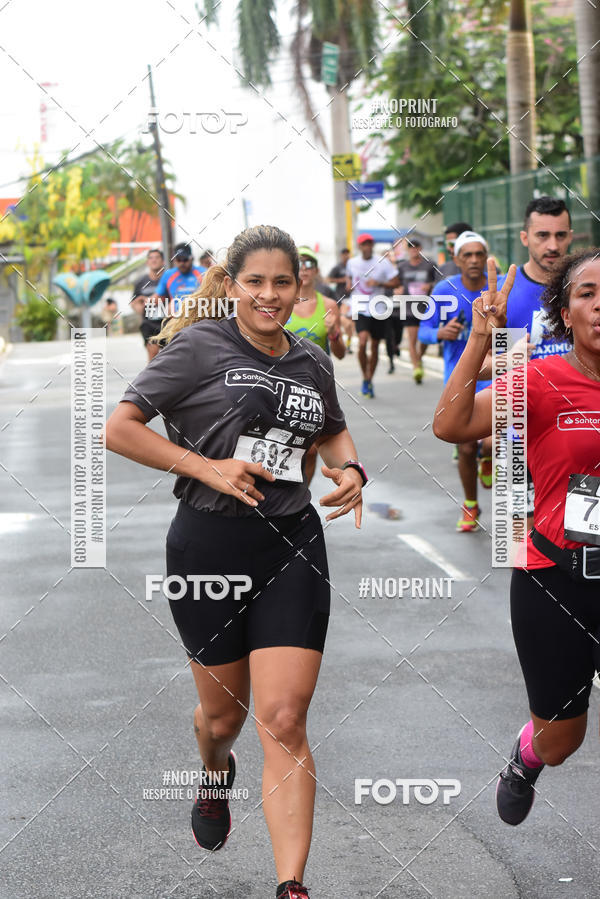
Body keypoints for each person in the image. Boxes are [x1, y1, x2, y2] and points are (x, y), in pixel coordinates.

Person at [105, 225, 366, 899]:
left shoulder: (311, 359)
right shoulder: (198, 346)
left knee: (283, 717)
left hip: (290, 544)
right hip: (208, 547)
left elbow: (331, 428)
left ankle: (291, 884)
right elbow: (121, 427)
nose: (270, 295)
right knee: (225, 719)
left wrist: (350, 467)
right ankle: (214, 770)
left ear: (298, 285)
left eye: (283, 282)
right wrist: (209, 466)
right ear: (230, 284)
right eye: (256, 282)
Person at [432, 251, 600, 828]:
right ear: (564, 311)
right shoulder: (540, 379)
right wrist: (481, 338)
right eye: (586, 293)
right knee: (560, 742)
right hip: (559, 578)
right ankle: (526, 758)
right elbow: (450, 426)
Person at [501, 196, 573, 529]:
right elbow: (490, 364)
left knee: (580, 535)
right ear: (525, 237)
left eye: (560, 235)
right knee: (520, 539)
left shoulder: (585, 288)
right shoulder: (506, 292)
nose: (553, 245)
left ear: (571, 236)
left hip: (579, 431)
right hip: (518, 433)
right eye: (543, 235)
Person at [418, 231, 494, 530]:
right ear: (457, 259)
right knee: (464, 448)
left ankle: (487, 456)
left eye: (479, 254)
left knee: (490, 442)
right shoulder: (443, 290)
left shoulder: (497, 288)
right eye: (468, 255)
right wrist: (440, 333)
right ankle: (471, 504)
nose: (474, 260)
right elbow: (423, 331)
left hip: (493, 374)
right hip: (460, 380)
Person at [287, 246, 346, 485]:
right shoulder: (281, 303)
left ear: (317, 270)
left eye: (309, 264)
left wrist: (333, 334)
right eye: (299, 264)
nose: (304, 269)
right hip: (282, 381)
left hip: (316, 384)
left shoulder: (330, 305)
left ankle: (301, 493)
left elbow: (340, 353)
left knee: (310, 450)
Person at [345, 233, 399, 398]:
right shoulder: (352, 262)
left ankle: (369, 379)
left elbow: (396, 282)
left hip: (378, 308)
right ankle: (364, 377)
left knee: (374, 346)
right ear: (359, 246)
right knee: (362, 343)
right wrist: (349, 285)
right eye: (364, 244)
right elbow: (349, 280)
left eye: (369, 244)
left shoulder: (382, 263)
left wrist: (379, 283)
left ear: (372, 245)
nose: (367, 247)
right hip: (360, 307)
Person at [395, 239, 435, 383]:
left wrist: (429, 285)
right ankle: (416, 368)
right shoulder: (402, 266)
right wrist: (398, 289)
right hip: (409, 307)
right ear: (407, 250)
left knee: (424, 338)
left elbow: (438, 281)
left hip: (426, 307)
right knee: (412, 339)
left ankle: (418, 358)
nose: (413, 250)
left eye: (415, 248)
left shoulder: (429, 265)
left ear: (420, 249)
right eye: (410, 248)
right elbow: (396, 282)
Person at [131, 248, 165, 361]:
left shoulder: (168, 278)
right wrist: (140, 307)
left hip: (167, 322)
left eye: (157, 257)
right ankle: (153, 377)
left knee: (169, 357)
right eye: (151, 258)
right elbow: (134, 302)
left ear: (163, 261)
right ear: (147, 262)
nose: (154, 260)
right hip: (149, 323)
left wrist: (155, 300)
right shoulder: (141, 281)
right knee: (153, 355)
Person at [155, 242, 206, 316]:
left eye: (185, 260)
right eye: (179, 260)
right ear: (174, 260)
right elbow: (158, 297)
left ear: (191, 258)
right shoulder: (168, 275)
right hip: (175, 317)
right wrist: (145, 302)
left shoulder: (203, 273)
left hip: (198, 315)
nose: (182, 263)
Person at [328, 248, 354, 351]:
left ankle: (349, 344)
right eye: (344, 254)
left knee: (351, 323)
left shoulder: (353, 266)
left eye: (347, 254)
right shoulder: (338, 268)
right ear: (341, 256)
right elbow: (329, 279)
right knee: (343, 321)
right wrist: (341, 280)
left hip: (352, 298)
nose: (346, 256)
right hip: (340, 298)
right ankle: (341, 341)